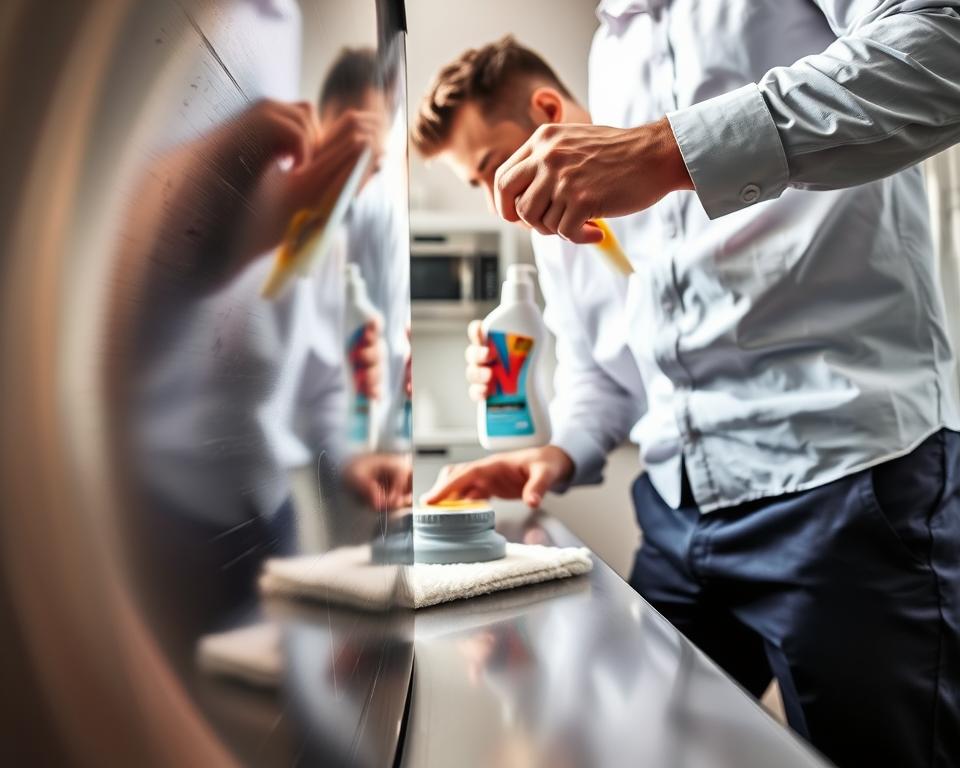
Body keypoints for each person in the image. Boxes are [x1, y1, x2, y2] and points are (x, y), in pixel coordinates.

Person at [412, 24, 960, 768]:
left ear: (545, 111)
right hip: (678, 515)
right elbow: (604, 372)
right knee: (634, 748)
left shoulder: (622, 146)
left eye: (485, 170)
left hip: (844, 491)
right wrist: (561, 450)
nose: (494, 198)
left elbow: (944, 43)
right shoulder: (614, 55)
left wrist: (664, 151)